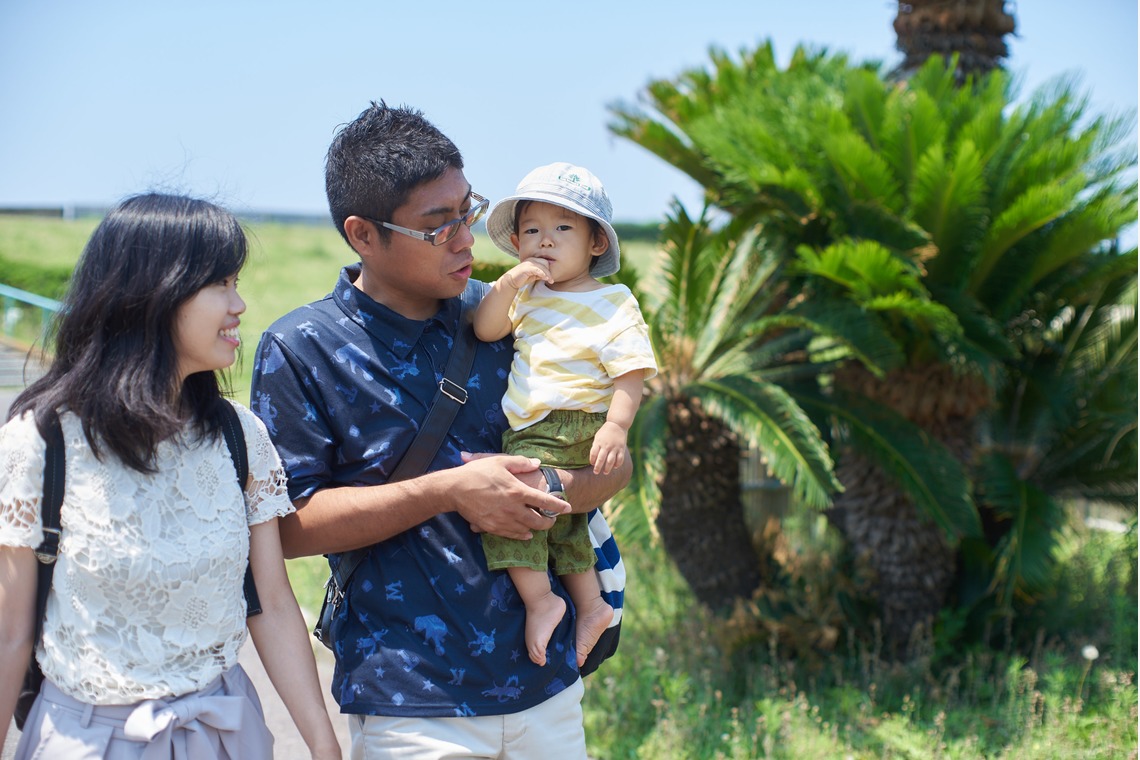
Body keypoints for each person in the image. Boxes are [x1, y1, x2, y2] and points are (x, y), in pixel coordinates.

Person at [249, 102, 630, 759]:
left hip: (548, 687)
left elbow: (615, 464)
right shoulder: (301, 347)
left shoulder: (511, 316)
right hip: (411, 706)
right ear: (363, 234)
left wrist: (547, 483)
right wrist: (450, 491)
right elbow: (287, 527)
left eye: (468, 210)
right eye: (438, 225)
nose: (466, 239)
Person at [0, 193, 341, 759]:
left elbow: (274, 606)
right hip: (88, 742)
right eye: (222, 284)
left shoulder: (239, 436)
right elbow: (9, 635)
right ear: (154, 295)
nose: (240, 304)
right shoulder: (42, 442)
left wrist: (325, 750)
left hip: (225, 734)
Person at [473, 163, 656, 668]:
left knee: (514, 509)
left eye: (562, 229)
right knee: (565, 522)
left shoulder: (612, 302)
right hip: (533, 427)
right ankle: (591, 604)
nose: (545, 242)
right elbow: (487, 329)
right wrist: (508, 284)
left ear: (596, 243)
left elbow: (631, 373)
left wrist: (617, 427)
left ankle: (542, 601)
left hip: (578, 423)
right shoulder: (528, 294)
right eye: (532, 231)